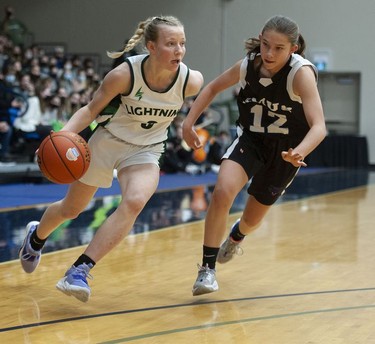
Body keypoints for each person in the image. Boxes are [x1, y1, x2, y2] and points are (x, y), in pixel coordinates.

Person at [18, 15, 203, 302]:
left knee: (135, 200)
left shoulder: (190, 81)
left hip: (147, 150)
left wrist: (189, 125)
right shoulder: (125, 75)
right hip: (107, 143)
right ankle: (36, 237)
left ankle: (79, 271)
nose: (179, 50)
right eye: (170, 44)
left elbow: (202, 99)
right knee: (71, 209)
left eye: (182, 43)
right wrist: (59, 137)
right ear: (151, 47)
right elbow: (90, 110)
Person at [182, 15, 326, 296]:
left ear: (293, 48)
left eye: (279, 48)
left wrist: (299, 152)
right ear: (260, 39)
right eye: (265, 45)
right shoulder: (249, 65)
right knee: (222, 192)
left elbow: (319, 126)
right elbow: (211, 87)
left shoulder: (301, 74)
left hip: (285, 152)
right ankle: (207, 269)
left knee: (252, 219)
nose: (269, 53)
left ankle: (237, 235)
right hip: (251, 140)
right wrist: (189, 122)